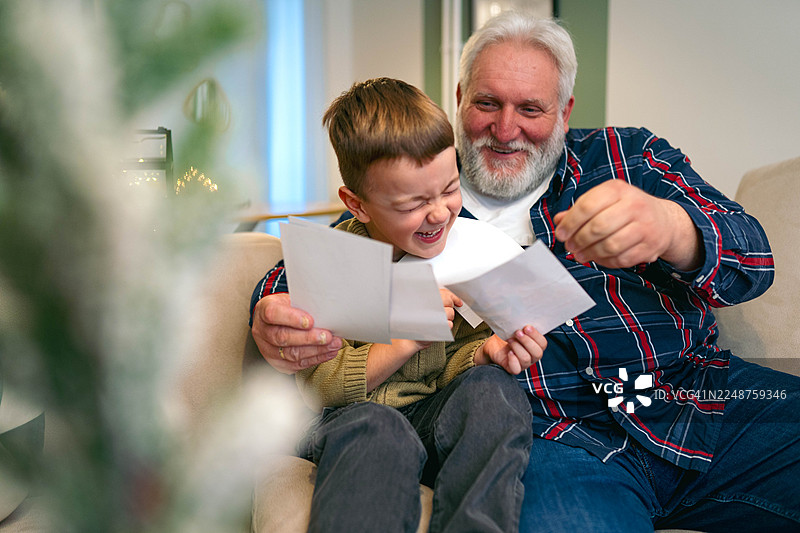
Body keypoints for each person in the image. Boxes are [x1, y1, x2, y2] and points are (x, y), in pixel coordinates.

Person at [251, 12, 800, 533]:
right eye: (487, 103)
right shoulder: (416, 185)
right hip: (556, 439)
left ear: (564, 111)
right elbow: (315, 268)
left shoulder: (628, 157)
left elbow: (755, 260)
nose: (505, 128)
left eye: (531, 109)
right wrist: (272, 314)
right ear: (460, 99)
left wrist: (673, 229)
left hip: (698, 398)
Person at [278, 77, 547, 533]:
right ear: (358, 205)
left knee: (493, 391)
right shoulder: (335, 261)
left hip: (433, 414)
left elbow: (445, 371)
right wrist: (405, 340)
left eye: (449, 189)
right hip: (351, 419)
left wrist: (484, 354)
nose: (439, 213)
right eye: (412, 204)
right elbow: (319, 388)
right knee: (378, 427)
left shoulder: (469, 250)